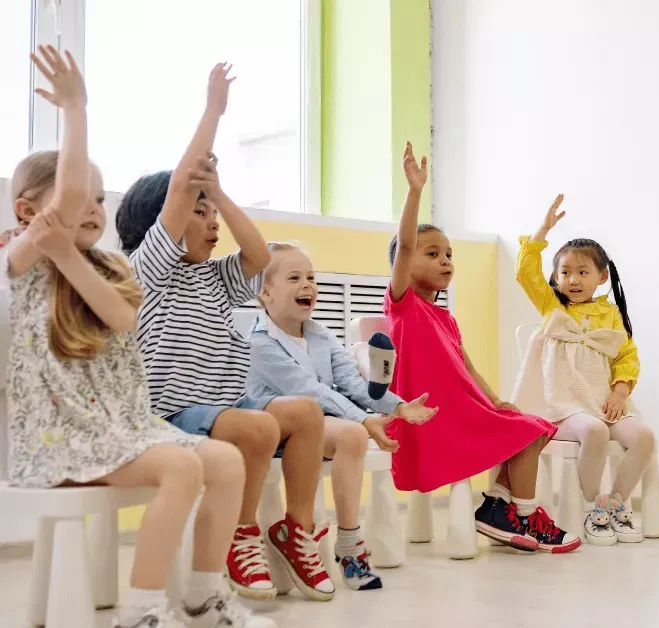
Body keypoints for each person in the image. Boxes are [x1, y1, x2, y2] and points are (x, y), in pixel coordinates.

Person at [3, 46, 272, 628]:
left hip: (119, 427)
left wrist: (67, 256)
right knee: (180, 468)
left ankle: (204, 596)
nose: (92, 207)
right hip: (58, 438)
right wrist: (75, 108)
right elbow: (69, 199)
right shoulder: (16, 264)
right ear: (27, 211)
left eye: (101, 198)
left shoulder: (109, 268)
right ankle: (144, 612)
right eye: (80, 198)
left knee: (224, 461)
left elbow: (121, 320)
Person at [115, 64, 332, 601]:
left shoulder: (214, 275)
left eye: (214, 215)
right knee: (257, 429)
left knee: (305, 413)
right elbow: (178, 191)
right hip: (172, 411)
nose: (214, 225)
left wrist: (220, 194)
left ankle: (295, 530)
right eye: (200, 213)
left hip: (227, 403)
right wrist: (213, 113)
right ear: (162, 221)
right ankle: (240, 533)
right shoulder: (150, 268)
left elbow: (260, 256)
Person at [384, 143, 580, 554]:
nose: (446, 261)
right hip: (433, 418)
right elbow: (403, 246)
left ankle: (498, 507)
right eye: (433, 253)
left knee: (533, 427)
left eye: (449, 255)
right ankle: (524, 516)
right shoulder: (402, 305)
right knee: (528, 433)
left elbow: (466, 367)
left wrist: (495, 400)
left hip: (466, 411)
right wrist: (415, 192)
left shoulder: (445, 319)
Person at [246, 241, 438, 589]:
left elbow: (351, 381)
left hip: (322, 426)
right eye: (294, 278)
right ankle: (325, 540)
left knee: (350, 435)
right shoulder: (260, 344)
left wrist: (396, 406)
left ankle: (349, 543)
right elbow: (311, 390)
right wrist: (364, 420)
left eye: (310, 277)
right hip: (274, 430)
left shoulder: (320, 335)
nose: (308, 285)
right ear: (266, 293)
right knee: (352, 430)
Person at [510, 194, 655, 545]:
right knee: (595, 433)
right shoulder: (552, 306)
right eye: (565, 272)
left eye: (582, 271)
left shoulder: (611, 315)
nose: (573, 279)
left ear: (602, 276)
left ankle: (616, 504)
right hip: (563, 404)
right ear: (556, 277)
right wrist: (542, 230)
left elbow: (626, 356)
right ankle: (594, 506)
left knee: (644, 438)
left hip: (605, 401)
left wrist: (621, 392)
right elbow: (523, 272)